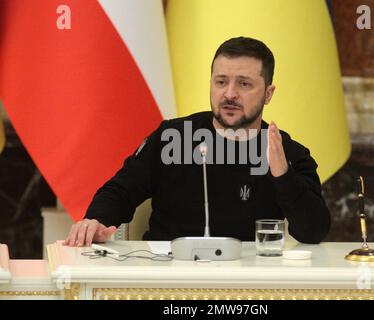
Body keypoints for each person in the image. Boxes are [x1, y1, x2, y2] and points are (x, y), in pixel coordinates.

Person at [64, 36, 330, 247]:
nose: (229, 94)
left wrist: (283, 176)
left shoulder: (286, 153)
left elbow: (313, 231)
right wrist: (96, 220)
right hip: (167, 278)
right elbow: (120, 190)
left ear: (268, 94)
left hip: (249, 285)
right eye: (221, 82)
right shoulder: (172, 137)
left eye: (244, 84)